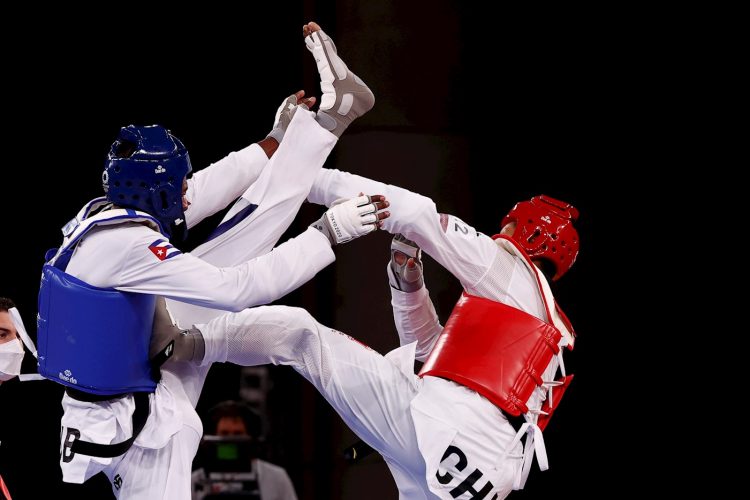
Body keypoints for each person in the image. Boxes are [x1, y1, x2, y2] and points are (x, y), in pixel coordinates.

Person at [37, 22, 384, 499]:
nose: (185, 189)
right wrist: (326, 234)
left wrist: (273, 141)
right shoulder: (130, 246)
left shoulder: (102, 215)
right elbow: (236, 288)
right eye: (175, 183)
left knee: (250, 249)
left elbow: (201, 192)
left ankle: (328, 122)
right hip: (144, 412)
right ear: (151, 189)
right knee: (241, 257)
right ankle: (328, 124)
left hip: (150, 357)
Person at [212, 183, 580, 498]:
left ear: (526, 233)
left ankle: (192, 339)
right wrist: (410, 286)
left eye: (511, 224)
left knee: (301, 335)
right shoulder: (542, 321)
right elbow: (432, 356)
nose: (501, 231)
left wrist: (307, 179)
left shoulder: (511, 269)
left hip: (451, 433)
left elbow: (418, 214)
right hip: (481, 474)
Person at [192, 401, 297, 500]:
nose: (231, 440)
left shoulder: (277, 478)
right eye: (224, 433)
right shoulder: (195, 480)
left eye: (238, 434)